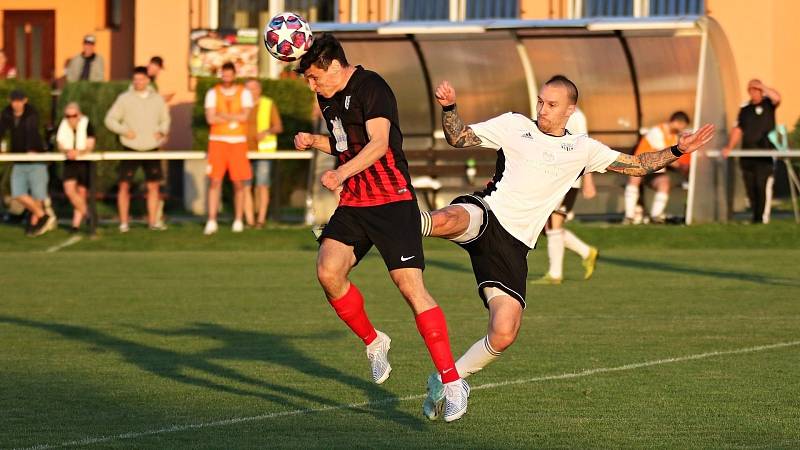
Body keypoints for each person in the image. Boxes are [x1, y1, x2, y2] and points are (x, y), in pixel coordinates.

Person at [419, 76, 714, 419]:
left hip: (514, 247)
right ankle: (401, 225)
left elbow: (638, 166)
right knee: (451, 217)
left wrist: (678, 150)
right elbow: (458, 137)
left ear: (570, 110)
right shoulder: (514, 125)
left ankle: (448, 379)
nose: (543, 110)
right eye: (541, 102)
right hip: (487, 213)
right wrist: (449, 107)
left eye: (552, 104)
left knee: (504, 332)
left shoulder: (582, 149)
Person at [292, 33, 469, 422]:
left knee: (410, 288)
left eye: (314, 77)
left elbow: (377, 145)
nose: (311, 84)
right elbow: (346, 144)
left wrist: (339, 174)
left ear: (335, 66)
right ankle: (375, 342)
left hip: (391, 202)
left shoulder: (373, 87)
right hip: (355, 203)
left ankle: (453, 382)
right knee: (327, 271)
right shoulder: (327, 95)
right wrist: (316, 142)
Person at [532, 106, 599, 285]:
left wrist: (588, 180)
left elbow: (585, 148)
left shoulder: (576, 117)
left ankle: (555, 274)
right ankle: (586, 252)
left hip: (568, 180)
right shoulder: (544, 114)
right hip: (552, 179)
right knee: (544, 227)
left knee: (553, 224)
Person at [104, 66, 170, 232]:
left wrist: (161, 131)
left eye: (141, 79)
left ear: (147, 80)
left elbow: (165, 119)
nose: (138, 82)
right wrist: (124, 131)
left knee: (153, 185)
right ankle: (124, 223)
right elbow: (110, 120)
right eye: (135, 80)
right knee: (124, 185)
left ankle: (153, 222)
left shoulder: (157, 99)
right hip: (130, 147)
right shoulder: (124, 99)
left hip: (151, 147)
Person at [203, 62, 253, 235]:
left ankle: (238, 220)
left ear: (234, 75)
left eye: (229, 75)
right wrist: (234, 118)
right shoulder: (212, 93)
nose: (226, 78)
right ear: (221, 75)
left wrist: (222, 115)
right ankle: (211, 220)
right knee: (214, 181)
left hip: (238, 142)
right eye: (224, 75)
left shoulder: (244, 92)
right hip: (217, 141)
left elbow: (245, 115)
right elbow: (210, 119)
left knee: (238, 183)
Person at [722, 79, 782, 224]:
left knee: (761, 185)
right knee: (750, 187)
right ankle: (755, 217)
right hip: (747, 154)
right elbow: (738, 129)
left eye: (757, 89)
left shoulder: (769, 104)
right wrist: (729, 146)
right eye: (752, 89)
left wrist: (763, 86)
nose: (754, 92)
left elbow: (777, 98)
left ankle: (762, 218)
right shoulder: (745, 109)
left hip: (764, 154)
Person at [0, 89, 54, 236]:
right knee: (18, 193)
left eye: (18, 100)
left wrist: (31, 149)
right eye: (13, 101)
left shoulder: (31, 113)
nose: (16, 104)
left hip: (35, 159)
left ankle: (35, 224)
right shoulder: (7, 113)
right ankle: (44, 217)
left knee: (37, 196)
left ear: (25, 100)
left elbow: (30, 130)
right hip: (19, 159)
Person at [623, 111, 691, 224]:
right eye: (683, 126)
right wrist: (680, 166)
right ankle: (629, 216)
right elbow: (665, 154)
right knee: (634, 179)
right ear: (677, 122)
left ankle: (656, 217)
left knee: (664, 183)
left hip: (655, 168)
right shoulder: (657, 131)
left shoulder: (674, 137)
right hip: (640, 164)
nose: (682, 129)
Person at [243, 79, 283, 229]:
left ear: (259, 90)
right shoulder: (241, 104)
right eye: (248, 89)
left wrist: (266, 132)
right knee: (245, 186)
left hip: (263, 152)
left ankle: (260, 220)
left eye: (253, 89)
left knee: (262, 185)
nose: (251, 92)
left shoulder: (268, 103)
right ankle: (249, 220)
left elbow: (278, 127)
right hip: (243, 150)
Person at [56, 102, 95, 233]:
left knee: (82, 192)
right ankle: (89, 215)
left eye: (73, 115)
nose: (71, 118)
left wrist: (78, 153)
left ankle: (75, 225)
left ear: (79, 114)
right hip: (70, 161)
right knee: (69, 190)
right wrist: (68, 152)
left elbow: (90, 145)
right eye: (68, 116)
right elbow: (60, 143)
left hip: (84, 161)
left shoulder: (87, 124)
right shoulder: (63, 125)